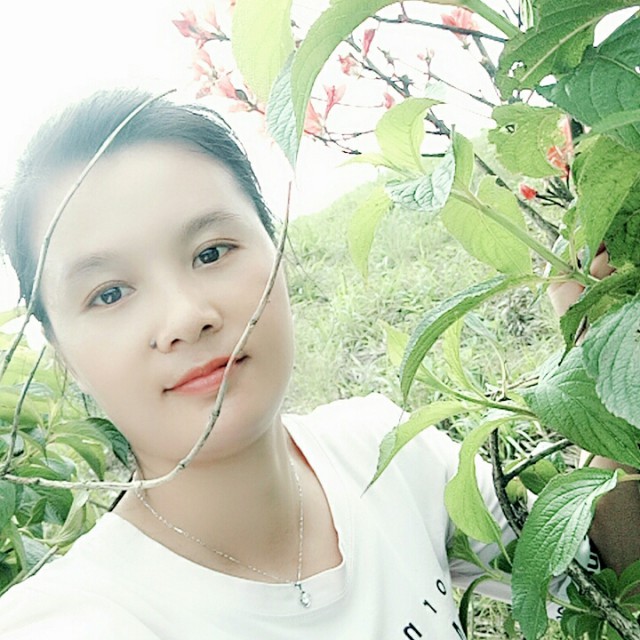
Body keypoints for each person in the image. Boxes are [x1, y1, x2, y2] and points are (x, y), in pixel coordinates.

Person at [0, 89, 637, 639]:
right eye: (109, 293)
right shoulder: (76, 620)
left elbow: (598, 568)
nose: (185, 317)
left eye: (212, 252)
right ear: (61, 353)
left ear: (278, 252)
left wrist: (608, 350)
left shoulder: (385, 451)